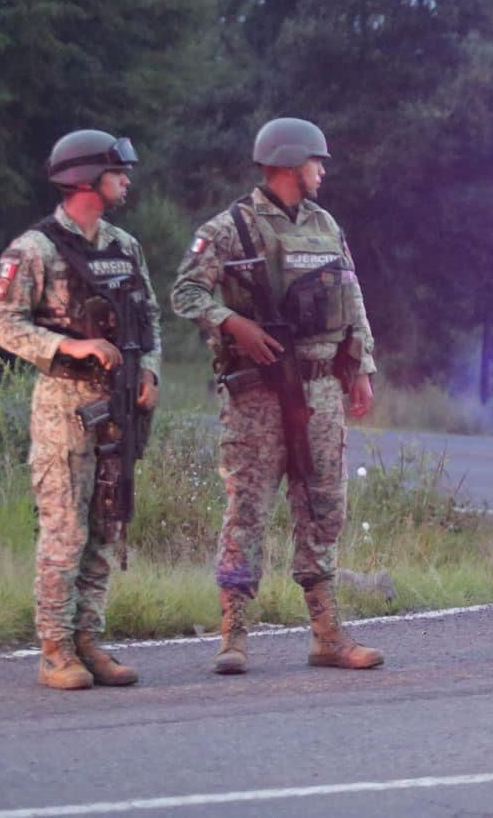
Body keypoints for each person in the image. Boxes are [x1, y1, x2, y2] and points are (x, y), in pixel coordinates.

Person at [170, 117, 381, 675]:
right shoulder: (229, 229)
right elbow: (186, 291)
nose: (322, 170)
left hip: (321, 388)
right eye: (316, 161)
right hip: (259, 394)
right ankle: (233, 635)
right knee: (248, 511)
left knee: (324, 510)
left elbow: (351, 298)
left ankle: (327, 636)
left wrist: (361, 368)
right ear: (288, 164)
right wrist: (230, 322)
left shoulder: (325, 225)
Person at [0, 130, 160, 690]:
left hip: (118, 407)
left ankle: (89, 640)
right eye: (117, 171)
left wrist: (150, 370)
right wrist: (69, 346)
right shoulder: (33, 249)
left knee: (107, 523)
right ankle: (55, 649)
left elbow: (149, 317)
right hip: (64, 407)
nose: (127, 180)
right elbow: (1, 324)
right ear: (86, 179)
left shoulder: (124, 247)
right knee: (65, 531)